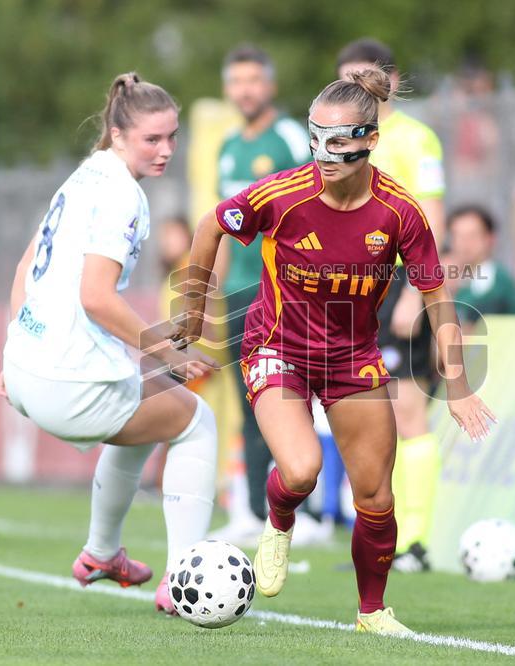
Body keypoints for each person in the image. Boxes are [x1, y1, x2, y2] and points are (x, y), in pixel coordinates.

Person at [175, 67, 495, 634]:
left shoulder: (400, 213)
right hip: (276, 347)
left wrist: (460, 388)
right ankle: (278, 522)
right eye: (315, 136)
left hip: (352, 358)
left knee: (375, 494)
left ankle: (372, 612)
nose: (324, 153)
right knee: (301, 470)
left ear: (371, 141)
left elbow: (438, 299)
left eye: (340, 140)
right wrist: (193, 308)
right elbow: (210, 224)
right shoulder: (282, 194)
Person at [0, 73, 219, 615]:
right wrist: (169, 356)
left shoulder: (84, 176)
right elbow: (96, 297)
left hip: (26, 370)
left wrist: (14, 353)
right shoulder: (123, 194)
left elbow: (27, 267)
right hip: (69, 382)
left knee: (148, 416)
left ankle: (101, 554)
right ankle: (182, 578)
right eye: (152, 139)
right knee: (196, 422)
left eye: (172, 137)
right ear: (118, 134)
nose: (166, 149)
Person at [336, 38, 446, 573]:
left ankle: (416, 542)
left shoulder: (415, 140)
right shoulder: (340, 139)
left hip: (396, 286)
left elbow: (433, 223)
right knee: (366, 416)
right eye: (345, 79)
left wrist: (415, 295)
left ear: (392, 81)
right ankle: (379, 540)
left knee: (407, 412)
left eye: (365, 77)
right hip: (352, 292)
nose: (355, 88)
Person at [211, 45, 314, 544]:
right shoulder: (228, 146)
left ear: (269, 85)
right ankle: (253, 510)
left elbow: (318, 204)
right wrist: (212, 292)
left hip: (287, 295)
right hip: (237, 295)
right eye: (237, 81)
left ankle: (307, 514)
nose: (245, 90)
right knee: (247, 399)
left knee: (294, 397)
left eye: (254, 79)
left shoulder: (292, 136)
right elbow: (224, 227)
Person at [445, 205, 515, 326]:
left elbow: (471, 326)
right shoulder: (453, 277)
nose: (464, 243)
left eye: (472, 236)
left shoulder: (498, 281)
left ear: (490, 239)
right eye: (457, 236)